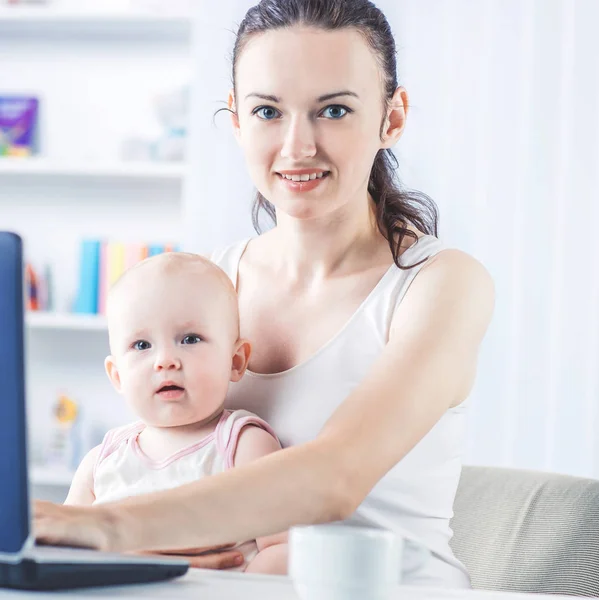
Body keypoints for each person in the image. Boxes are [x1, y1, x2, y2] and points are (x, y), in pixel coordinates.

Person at [35, 0, 494, 587]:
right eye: (267, 111)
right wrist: (145, 548)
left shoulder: (440, 284)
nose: (297, 146)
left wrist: (106, 527)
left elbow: (335, 475)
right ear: (235, 122)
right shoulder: (207, 284)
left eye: (333, 110)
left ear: (392, 117)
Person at [62, 252, 288, 574]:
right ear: (117, 376)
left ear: (236, 361)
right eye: (141, 345)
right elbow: (64, 554)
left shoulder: (243, 446)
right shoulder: (100, 463)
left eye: (190, 339)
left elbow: (282, 551)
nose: (165, 360)